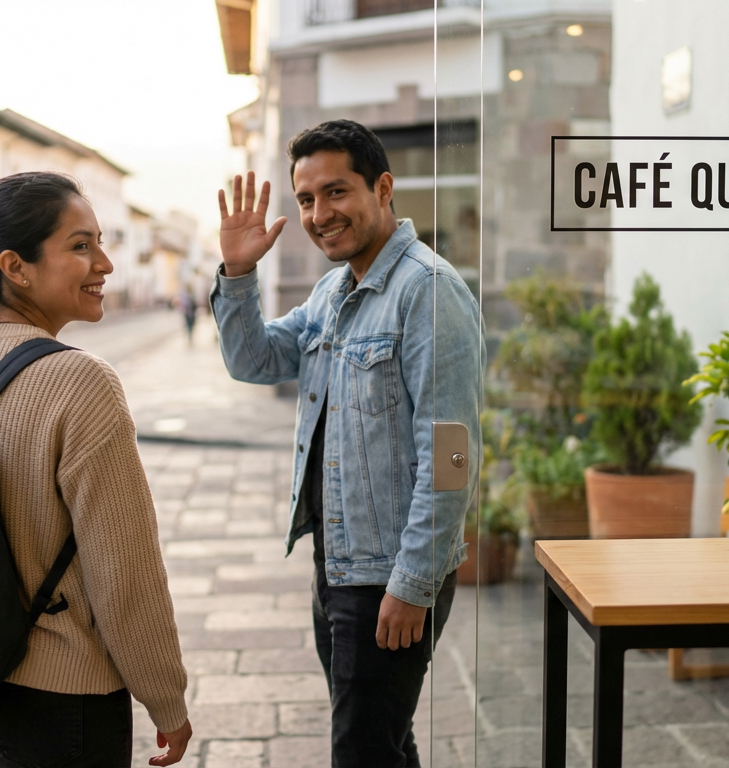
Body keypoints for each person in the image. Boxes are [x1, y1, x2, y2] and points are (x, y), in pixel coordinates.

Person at [0, 172, 193, 768]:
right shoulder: (81, 382)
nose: (104, 262)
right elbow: (124, 570)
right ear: (15, 266)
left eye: (100, 242)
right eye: (80, 246)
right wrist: (166, 699)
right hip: (60, 707)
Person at [210, 120, 481, 766]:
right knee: (384, 741)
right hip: (336, 562)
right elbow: (254, 360)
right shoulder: (334, 292)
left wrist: (412, 583)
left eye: (336, 192)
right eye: (306, 200)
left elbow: (450, 458)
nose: (318, 214)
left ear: (382, 188)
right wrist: (238, 273)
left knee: (361, 750)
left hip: (387, 574)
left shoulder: (428, 292)